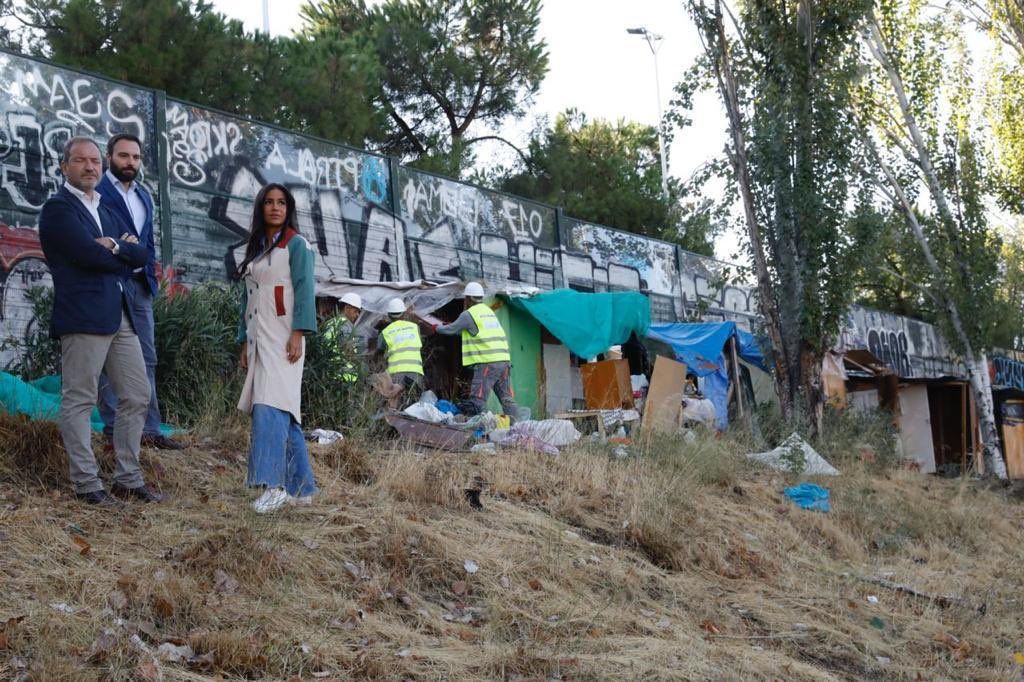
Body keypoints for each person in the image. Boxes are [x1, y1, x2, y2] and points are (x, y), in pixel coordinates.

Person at [39, 136, 161, 505]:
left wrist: (117, 246)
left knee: (137, 395)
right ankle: (87, 484)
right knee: (79, 400)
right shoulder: (58, 210)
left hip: (119, 315)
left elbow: (140, 252)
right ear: (65, 167)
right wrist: (116, 251)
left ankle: (128, 477)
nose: (90, 167)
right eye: (81, 161)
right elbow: (89, 257)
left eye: (95, 161)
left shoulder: (106, 208)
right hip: (83, 316)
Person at [95, 133, 183, 450]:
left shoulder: (144, 195)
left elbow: (147, 243)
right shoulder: (97, 193)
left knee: (147, 357)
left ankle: (150, 430)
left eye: (135, 157)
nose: (130, 162)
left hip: (140, 286)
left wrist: (151, 274)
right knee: (108, 357)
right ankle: (112, 428)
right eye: (123, 156)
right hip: (109, 284)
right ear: (109, 157)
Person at [234, 183, 318, 514]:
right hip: (259, 339)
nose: (275, 207)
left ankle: (274, 486)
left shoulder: (296, 245)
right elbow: (248, 298)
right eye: (268, 202)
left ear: (288, 208)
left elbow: (304, 288)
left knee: (268, 406)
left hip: (285, 338)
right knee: (282, 410)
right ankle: (301, 488)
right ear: (261, 208)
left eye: (281, 202)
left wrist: (298, 333)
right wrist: (244, 340)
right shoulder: (256, 247)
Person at [433, 281, 519, 417]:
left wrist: (435, 327)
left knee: (476, 400)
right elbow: (471, 331)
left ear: (467, 298)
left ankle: (473, 432)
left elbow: (450, 330)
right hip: (504, 361)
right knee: (506, 398)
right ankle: (519, 427)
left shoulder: (468, 314)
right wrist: (455, 326)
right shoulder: (488, 312)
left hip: (488, 363)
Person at [377, 297, 424, 407]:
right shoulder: (415, 327)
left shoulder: (385, 332)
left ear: (389, 315)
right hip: (416, 373)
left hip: (396, 374)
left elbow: (379, 353)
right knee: (414, 407)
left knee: (396, 406)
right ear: (403, 313)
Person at [321, 292, 364, 383]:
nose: (357, 315)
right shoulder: (346, 325)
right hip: (345, 376)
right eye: (355, 311)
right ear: (347, 308)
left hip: (329, 373)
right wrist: (360, 366)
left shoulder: (329, 323)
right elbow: (347, 349)